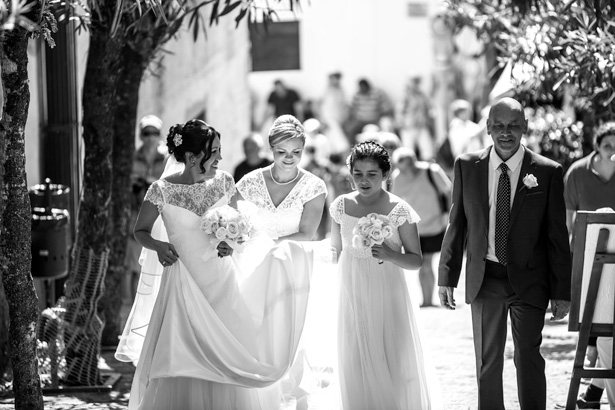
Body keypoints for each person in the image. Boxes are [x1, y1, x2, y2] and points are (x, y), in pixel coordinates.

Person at [116, 119, 317, 410]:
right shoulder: (160, 190)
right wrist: (159, 246)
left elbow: (242, 223)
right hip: (182, 283)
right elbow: (141, 231)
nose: (221, 158)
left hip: (222, 283)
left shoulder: (224, 182)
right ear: (191, 156)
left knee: (229, 348)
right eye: (215, 152)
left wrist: (231, 240)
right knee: (181, 352)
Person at [438, 97, 572, 410]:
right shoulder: (467, 165)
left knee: (529, 358)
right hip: (484, 278)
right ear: (487, 128)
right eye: (498, 125)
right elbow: (456, 223)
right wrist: (447, 275)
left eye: (513, 125)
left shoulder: (548, 171)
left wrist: (561, 291)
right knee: (487, 362)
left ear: (525, 127)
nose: (506, 132)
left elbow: (557, 237)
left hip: (530, 279)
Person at [329, 141, 441, 409]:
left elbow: (416, 260)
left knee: (391, 355)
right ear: (350, 173)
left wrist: (390, 255)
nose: (363, 180)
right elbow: (335, 250)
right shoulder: (340, 206)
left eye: (372, 174)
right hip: (352, 289)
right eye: (358, 173)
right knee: (355, 353)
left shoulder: (399, 209)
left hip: (388, 290)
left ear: (386, 175)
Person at [236, 115, 330, 407]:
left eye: (296, 153)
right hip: (250, 265)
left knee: (289, 331)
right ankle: (256, 394)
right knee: (253, 328)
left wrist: (270, 246)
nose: (289, 159)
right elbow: (235, 223)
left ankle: (292, 391)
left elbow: (307, 233)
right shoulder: (249, 182)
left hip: (291, 266)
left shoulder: (314, 186)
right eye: (281, 152)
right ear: (271, 150)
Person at [564, 121, 615, 409]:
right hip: (587, 260)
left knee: (607, 327)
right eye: (608, 145)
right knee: (595, 321)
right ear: (596, 145)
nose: (613, 151)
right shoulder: (577, 173)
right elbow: (569, 222)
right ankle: (594, 390)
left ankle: (594, 391)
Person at [391, 147, 451, 307]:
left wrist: (448, 215)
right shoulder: (398, 177)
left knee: (427, 262)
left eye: (407, 168)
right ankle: (426, 300)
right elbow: (394, 201)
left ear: (413, 162)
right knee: (422, 263)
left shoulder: (432, 171)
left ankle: (428, 299)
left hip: (435, 224)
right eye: (400, 169)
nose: (405, 172)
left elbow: (449, 192)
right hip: (413, 227)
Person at [123, 115, 167, 306]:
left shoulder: (167, 158)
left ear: (160, 135)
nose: (150, 137)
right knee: (134, 265)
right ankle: (136, 305)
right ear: (141, 135)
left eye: (154, 133)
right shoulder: (132, 158)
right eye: (147, 133)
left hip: (161, 218)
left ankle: (155, 305)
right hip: (136, 214)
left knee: (159, 262)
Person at [344, 79, 393, 145]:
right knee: (351, 131)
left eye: (364, 87)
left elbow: (386, 107)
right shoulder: (357, 95)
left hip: (375, 120)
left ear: (368, 86)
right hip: (361, 121)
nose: (362, 89)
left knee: (385, 131)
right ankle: (352, 150)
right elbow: (351, 109)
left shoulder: (377, 93)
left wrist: (381, 115)